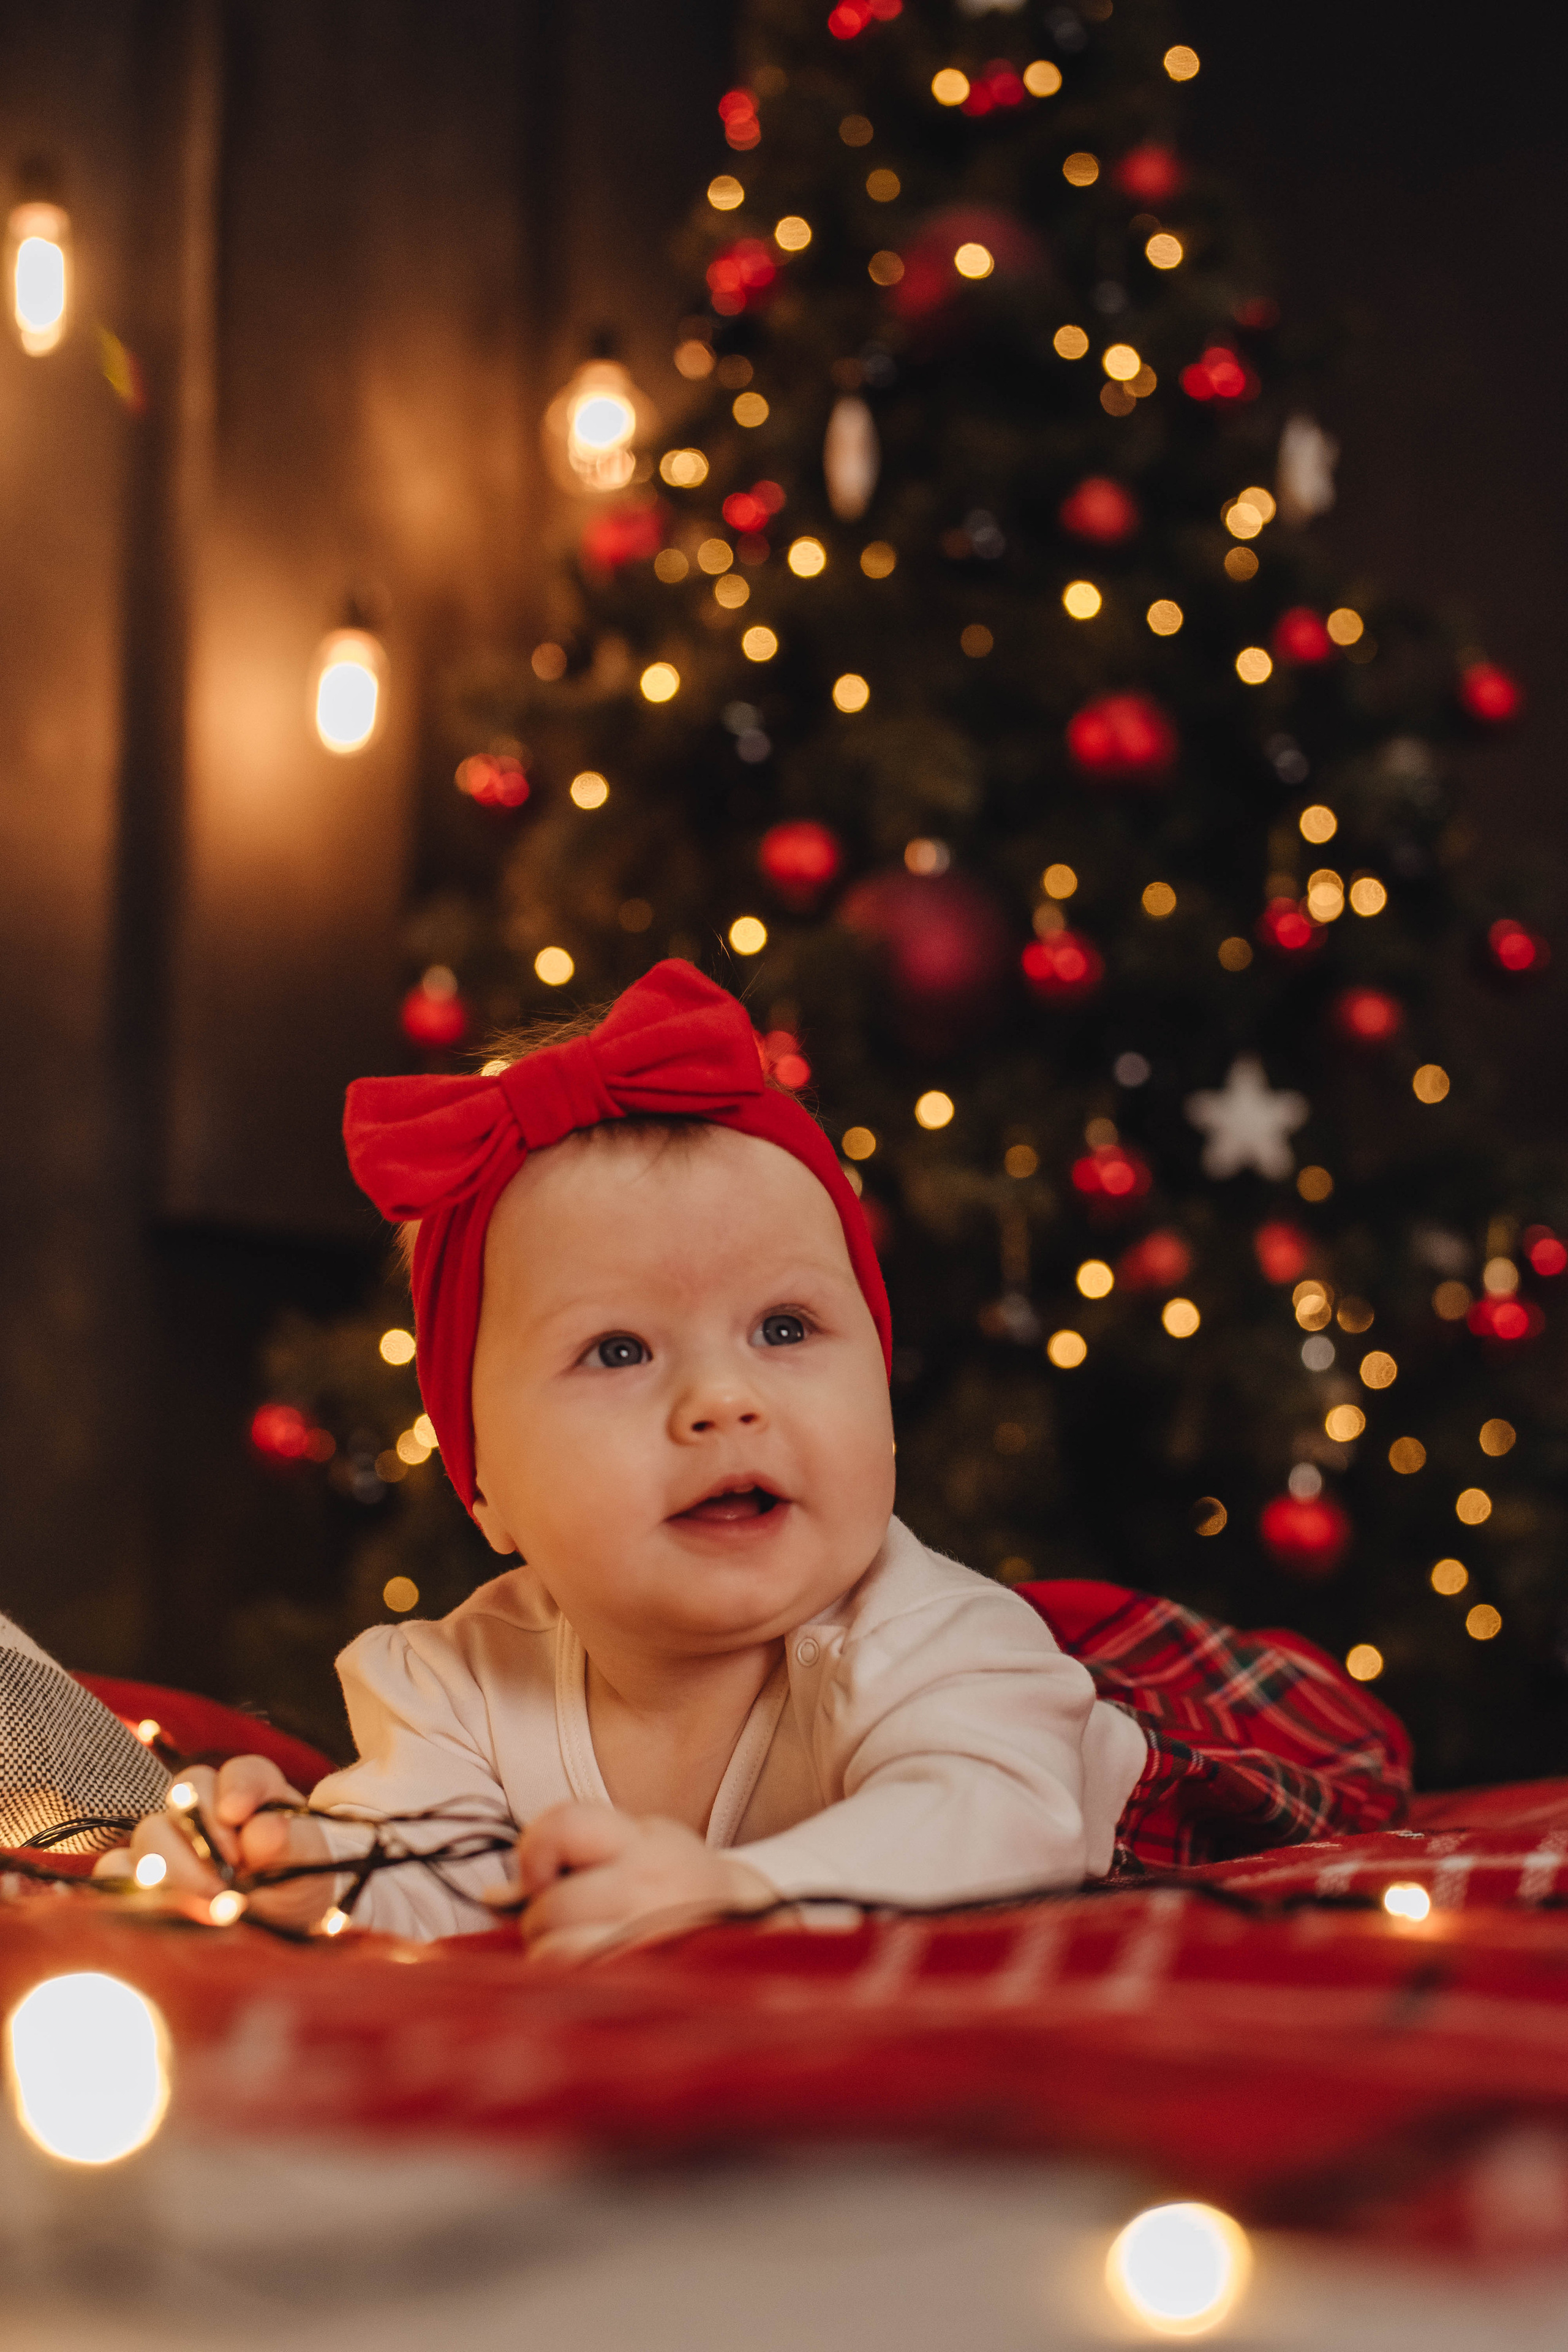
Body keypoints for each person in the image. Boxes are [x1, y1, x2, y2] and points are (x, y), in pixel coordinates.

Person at [99, 962, 1409, 1954]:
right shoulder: (456, 1680)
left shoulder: (927, 1638)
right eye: (617, 1352)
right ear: (483, 1479)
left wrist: (744, 1888)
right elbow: (436, 1869)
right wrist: (292, 1862)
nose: (722, 1400)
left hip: (1130, 1773)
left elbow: (994, 1823)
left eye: (785, 1328)